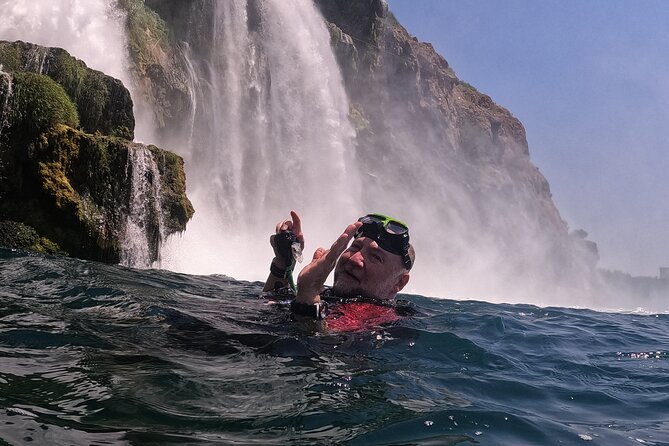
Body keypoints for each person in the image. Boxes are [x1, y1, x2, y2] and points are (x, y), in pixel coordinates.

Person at [263, 210, 415, 324]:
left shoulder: (380, 317)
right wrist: (284, 263)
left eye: (375, 257)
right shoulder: (326, 294)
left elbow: (325, 344)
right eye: (355, 247)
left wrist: (309, 293)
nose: (355, 259)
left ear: (399, 283)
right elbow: (270, 305)